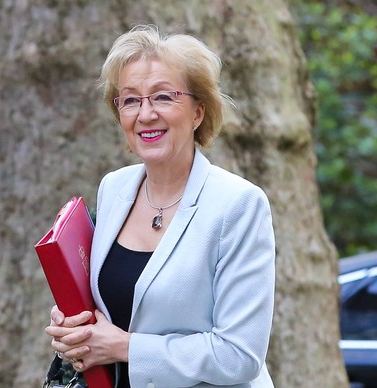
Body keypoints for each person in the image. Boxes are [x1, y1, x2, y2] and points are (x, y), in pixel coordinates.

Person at [45, 24, 276, 388]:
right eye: (131, 100)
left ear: (199, 112)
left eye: (164, 97)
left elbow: (239, 356)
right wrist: (74, 330)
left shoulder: (239, 205)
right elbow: (113, 308)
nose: (146, 114)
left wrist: (126, 348)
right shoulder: (114, 188)